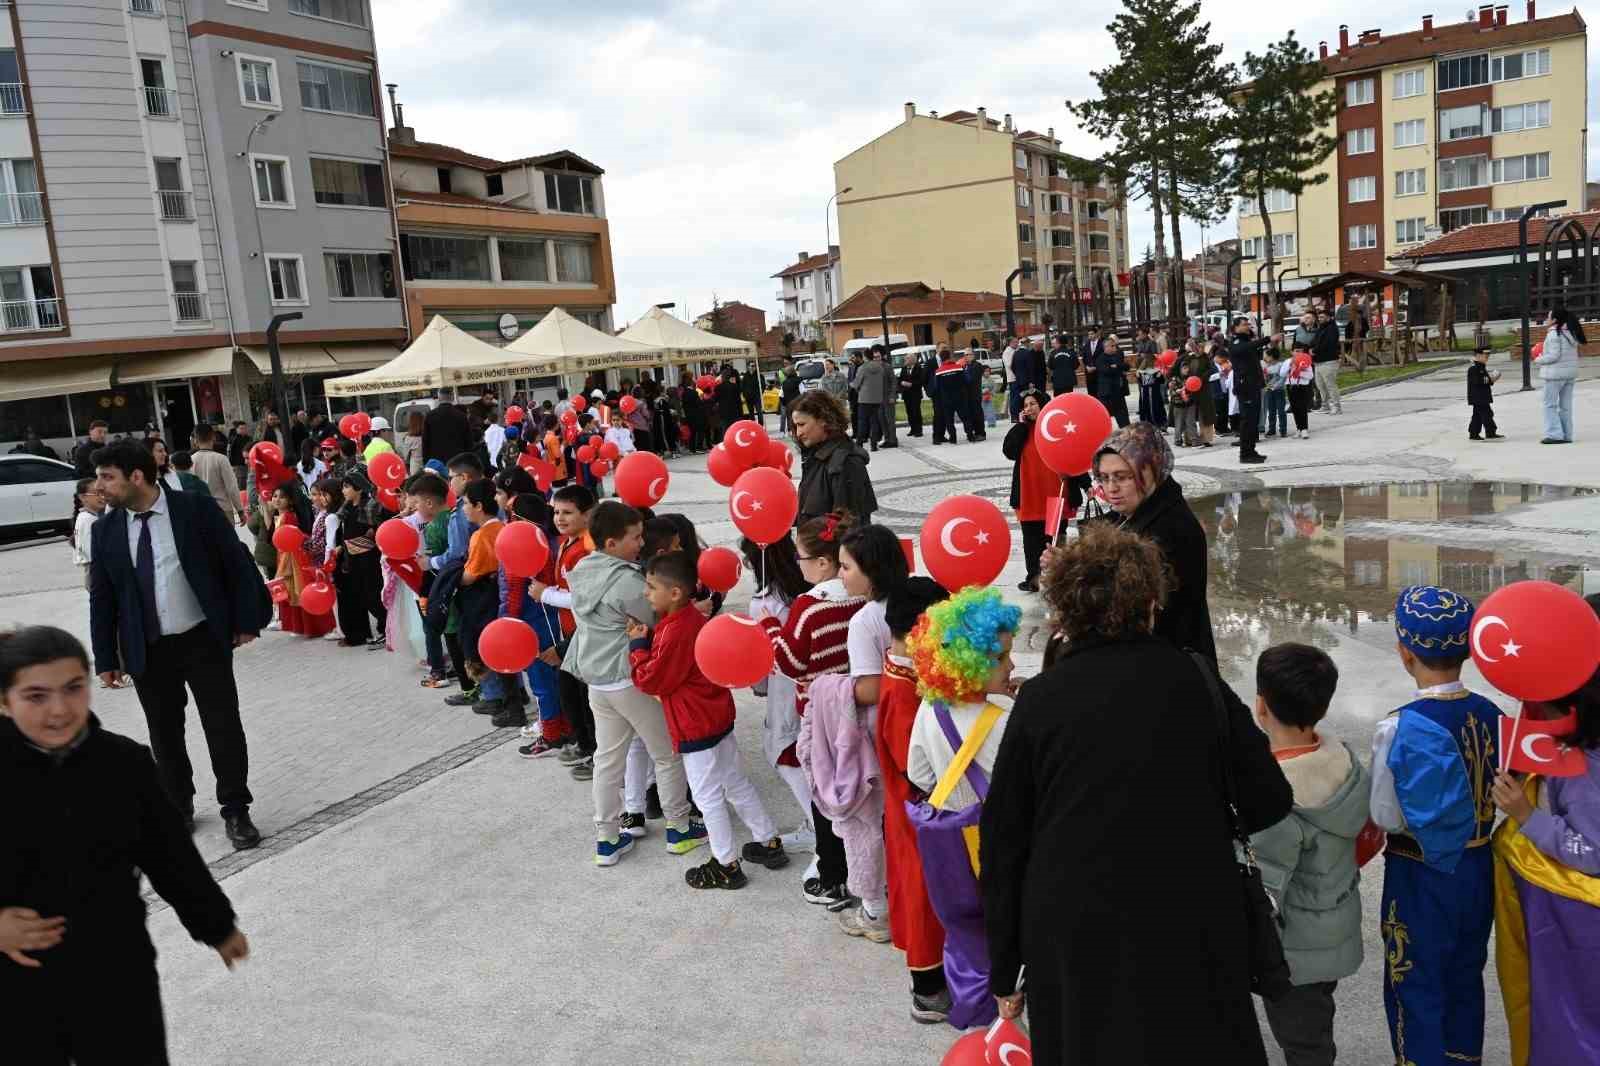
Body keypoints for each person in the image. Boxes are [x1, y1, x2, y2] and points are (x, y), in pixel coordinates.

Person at [981, 524, 1292, 1064]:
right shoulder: (1197, 680)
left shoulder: (1041, 700)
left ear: (1066, 610)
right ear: (1150, 602)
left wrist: (1005, 966)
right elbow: (1269, 798)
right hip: (1190, 914)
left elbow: (1004, 841)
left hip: (1075, 927)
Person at [0, 626, 252, 1064]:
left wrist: (217, 926)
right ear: (5, 702)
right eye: (36, 696)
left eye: (73, 688)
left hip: (115, 964)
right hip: (16, 976)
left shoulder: (123, 763)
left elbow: (170, 855)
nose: (59, 709)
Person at [87, 440, 271, 849]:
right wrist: (106, 657)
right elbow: (102, 597)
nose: (100, 486)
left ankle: (236, 809)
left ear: (136, 476)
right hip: (147, 648)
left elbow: (236, 565)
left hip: (203, 640)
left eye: (107, 477)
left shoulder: (195, 510)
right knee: (164, 734)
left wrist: (245, 622)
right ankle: (179, 806)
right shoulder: (105, 530)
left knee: (222, 726)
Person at [1370, 585, 1504, 1066]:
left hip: (1419, 872)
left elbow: (1385, 815)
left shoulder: (1398, 727)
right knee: (1465, 972)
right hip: (1479, 866)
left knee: (1415, 981)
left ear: (1405, 652)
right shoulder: (1494, 715)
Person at [626, 551, 788, 888]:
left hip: (694, 723)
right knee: (735, 782)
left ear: (675, 593)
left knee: (707, 796)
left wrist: (638, 648)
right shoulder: (693, 619)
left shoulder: (673, 631)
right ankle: (768, 841)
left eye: (652, 586)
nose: (646, 593)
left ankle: (726, 864)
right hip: (716, 716)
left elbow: (653, 680)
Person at [1489, 594, 1600, 1066]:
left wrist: (1525, 815)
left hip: (1579, 927)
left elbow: (1592, 852)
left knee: (1570, 1028)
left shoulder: (1585, 770)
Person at [906, 584, 1022, 1030]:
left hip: (951, 848)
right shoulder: (1005, 723)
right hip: (996, 847)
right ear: (972, 665)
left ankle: (974, 1017)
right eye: (1001, 657)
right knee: (1008, 934)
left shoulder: (929, 709)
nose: (1011, 665)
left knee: (966, 935)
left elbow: (919, 774)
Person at [565, 501, 707, 866]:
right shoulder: (629, 582)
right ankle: (679, 827)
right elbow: (658, 622)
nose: (641, 544)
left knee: (607, 761)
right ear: (612, 543)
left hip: (597, 680)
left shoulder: (582, 570)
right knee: (667, 754)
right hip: (630, 678)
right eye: (635, 537)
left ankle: (607, 838)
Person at [1249, 643, 1370, 1066]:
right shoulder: (1345, 763)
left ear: (1260, 706)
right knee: (1315, 1026)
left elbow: (1262, 888)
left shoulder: (1274, 798)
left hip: (1292, 953)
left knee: (1303, 1043)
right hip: (1331, 932)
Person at [756, 511, 867, 908]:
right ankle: (867, 871)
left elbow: (791, 664)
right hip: (861, 707)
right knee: (862, 792)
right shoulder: (863, 597)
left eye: (800, 557)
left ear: (822, 563)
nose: (796, 564)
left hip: (820, 716)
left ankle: (833, 878)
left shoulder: (808, 606)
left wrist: (770, 628)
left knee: (826, 795)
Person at [875, 577, 952, 1023]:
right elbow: (915, 767)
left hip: (913, 810)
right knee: (924, 896)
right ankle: (927, 990)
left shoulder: (905, 674)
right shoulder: (902, 689)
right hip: (918, 812)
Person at [1073, 422, 1216, 660]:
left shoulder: (1171, 529)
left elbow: (1136, 606)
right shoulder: (1139, 507)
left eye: (1122, 477)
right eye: (1104, 478)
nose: (1111, 488)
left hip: (1166, 660)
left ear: (1151, 470)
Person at [829, 523, 909, 941]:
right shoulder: (917, 600)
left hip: (884, 729)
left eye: (846, 567)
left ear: (872, 569)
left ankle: (877, 912)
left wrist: (831, 689)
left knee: (871, 818)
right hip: (924, 724)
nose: (840, 575)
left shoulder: (865, 620)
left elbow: (871, 688)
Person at [531, 484, 599, 779]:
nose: (559, 518)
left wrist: (545, 594)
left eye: (568, 512)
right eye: (556, 512)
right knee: (571, 692)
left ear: (588, 515)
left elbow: (582, 599)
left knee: (587, 698)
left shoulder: (585, 550)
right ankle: (584, 743)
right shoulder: (565, 543)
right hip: (570, 632)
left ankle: (596, 753)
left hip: (585, 634)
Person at [1003, 390, 1061, 594]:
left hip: (1054, 492)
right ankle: (1034, 577)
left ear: (1043, 405)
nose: (1028, 408)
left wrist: (1086, 484)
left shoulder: (1055, 427)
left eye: (1033, 404)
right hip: (1028, 493)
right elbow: (1009, 451)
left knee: (1054, 538)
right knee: (1031, 539)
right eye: (1025, 405)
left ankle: (1058, 576)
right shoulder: (1022, 430)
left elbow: (1071, 456)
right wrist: (1021, 426)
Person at [793, 391, 875, 528]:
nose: (798, 433)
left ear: (823, 420)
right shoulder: (816, 455)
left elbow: (850, 528)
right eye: (796, 426)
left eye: (801, 424)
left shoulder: (845, 463)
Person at [268, 481, 333, 639]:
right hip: (285, 557)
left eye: (282, 497)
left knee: (298, 591)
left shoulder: (288, 517)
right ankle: (300, 626)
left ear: (290, 501)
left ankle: (310, 627)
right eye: (275, 496)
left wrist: (282, 567)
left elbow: (291, 541)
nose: (277, 500)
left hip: (293, 559)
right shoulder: (279, 516)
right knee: (293, 593)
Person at [331, 470, 387, 649]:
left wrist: (374, 532)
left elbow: (382, 527)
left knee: (373, 596)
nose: (343, 491)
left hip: (369, 558)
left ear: (359, 489)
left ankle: (386, 630)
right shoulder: (346, 509)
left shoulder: (370, 507)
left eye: (347, 487)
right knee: (363, 596)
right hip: (352, 559)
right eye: (343, 487)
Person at [1228, 316, 1281, 464]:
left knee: (1253, 421)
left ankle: (1251, 450)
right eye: (1244, 325)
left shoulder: (1248, 342)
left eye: (1248, 324)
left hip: (1254, 385)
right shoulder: (1236, 343)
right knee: (1247, 421)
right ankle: (1245, 454)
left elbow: (1255, 354)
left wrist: (1271, 343)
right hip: (1245, 387)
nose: (1247, 327)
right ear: (1236, 328)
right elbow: (1245, 348)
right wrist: (1268, 339)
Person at [1534, 306, 1582, 444]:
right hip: (1569, 375)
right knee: (1566, 406)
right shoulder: (1571, 333)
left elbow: (1554, 356)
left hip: (1555, 375)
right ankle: (1566, 435)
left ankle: (1554, 435)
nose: (1546, 319)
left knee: (1549, 405)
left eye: (1548, 317)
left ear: (1554, 320)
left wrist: (1538, 358)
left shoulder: (1554, 334)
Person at [187, 424, 243, 525]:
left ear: (195, 440)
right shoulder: (221, 459)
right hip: (222, 509)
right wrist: (240, 510)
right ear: (213, 437)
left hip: (200, 511)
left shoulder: (190, 461)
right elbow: (232, 487)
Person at [69, 478, 104, 592]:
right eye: (96, 493)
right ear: (82, 497)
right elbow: (91, 552)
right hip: (97, 572)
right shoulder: (88, 519)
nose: (101, 496)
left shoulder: (90, 517)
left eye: (102, 492)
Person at [852, 346, 889, 451]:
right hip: (877, 398)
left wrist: (853, 385)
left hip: (864, 399)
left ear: (865, 357)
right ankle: (874, 445)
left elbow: (856, 383)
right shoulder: (880, 367)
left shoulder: (862, 368)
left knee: (862, 421)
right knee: (874, 422)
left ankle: (859, 444)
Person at [1465, 347, 1504, 441]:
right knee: (1487, 414)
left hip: (1481, 396)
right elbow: (1478, 382)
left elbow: (1484, 380)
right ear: (1478, 356)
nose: (1487, 358)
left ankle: (1474, 434)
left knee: (1477, 415)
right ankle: (1490, 432)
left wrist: (1491, 379)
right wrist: (1491, 379)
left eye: (1487, 356)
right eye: (1485, 356)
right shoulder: (1474, 368)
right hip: (1479, 397)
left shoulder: (1480, 366)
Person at [1311, 306, 1344, 415]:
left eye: (1322, 317)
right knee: (1320, 385)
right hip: (1318, 361)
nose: (1320, 319)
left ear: (1329, 318)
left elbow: (1328, 343)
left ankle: (1337, 407)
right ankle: (1325, 405)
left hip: (1329, 361)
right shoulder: (1320, 328)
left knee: (1330, 385)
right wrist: (1310, 349)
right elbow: (1314, 341)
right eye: (1319, 317)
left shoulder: (1332, 329)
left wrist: (1314, 350)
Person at [930, 348, 966, 446]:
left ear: (941, 359)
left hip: (946, 399)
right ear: (950, 357)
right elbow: (964, 381)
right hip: (959, 397)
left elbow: (936, 387)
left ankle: (953, 438)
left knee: (949, 420)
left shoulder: (938, 371)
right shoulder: (958, 367)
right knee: (965, 417)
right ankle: (970, 435)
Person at [1093, 332, 1130, 428]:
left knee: (1123, 418)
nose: (1115, 347)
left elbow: (1127, 366)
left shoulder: (1117, 356)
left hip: (1118, 392)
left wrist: (1116, 366)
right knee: (1104, 418)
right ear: (1106, 347)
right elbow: (1106, 371)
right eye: (1112, 346)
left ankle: (1126, 432)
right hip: (1106, 393)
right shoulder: (1100, 359)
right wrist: (1117, 368)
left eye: (1115, 345)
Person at [421, 398, 469, 467]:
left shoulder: (430, 416)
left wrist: (426, 462)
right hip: (458, 460)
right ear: (451, 398)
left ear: (439, 398)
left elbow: (425, 441)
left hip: (436, 461)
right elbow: (468, 441)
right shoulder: (461, 416)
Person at [1285, 349, 1315, 440]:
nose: (1298, 353)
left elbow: (1310, 376)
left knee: (1302, 407)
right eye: (1296, 351)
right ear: (1291, 352)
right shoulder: (1288, 361)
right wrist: (1290, 368)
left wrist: (1299, 372)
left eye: (1300, 351)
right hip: (1291, 386)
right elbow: (1282, 373)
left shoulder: (1306, 361)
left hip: (1302, 386)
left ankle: (1304, 429)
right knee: (1294, 408)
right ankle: (1298, 428)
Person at [1261, 350, 1289, 439]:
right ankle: (1272, 429)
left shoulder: (1281, 365)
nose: (1265, 358)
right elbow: (1265, 378)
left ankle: (1283, 430)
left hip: (1279, 391)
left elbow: (1282, 378)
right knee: (1271, 411)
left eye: (1266, 356)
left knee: (1281, 411)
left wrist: (1274, 386)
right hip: (1269, 391)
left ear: (1271, 357)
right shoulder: (1267, 366)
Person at [897, 350, 925, 437]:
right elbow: (900, 379)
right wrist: (901, 382)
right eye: (905, 359)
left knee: (916, 412)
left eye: (907, 359)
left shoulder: (919, 368)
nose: (905, 360)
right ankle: (913, 429)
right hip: (906, 394)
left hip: (915, 394)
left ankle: (919, 430)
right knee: (909, 412)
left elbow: (921, 381)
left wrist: (911, 384)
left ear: (912, 360)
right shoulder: (904, 368)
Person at [396, 410, 425, 475]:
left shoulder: (408, 438)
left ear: (411, 423)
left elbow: (405, 456)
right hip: (426, 464)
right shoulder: (426, 436)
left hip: (415, 466)